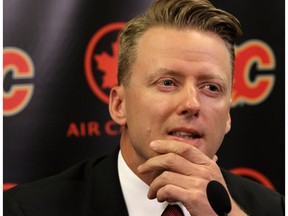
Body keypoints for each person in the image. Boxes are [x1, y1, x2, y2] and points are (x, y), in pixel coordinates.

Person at [4, 0, 284, 215]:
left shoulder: (268, 208)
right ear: (119, 105)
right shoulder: (30, 209)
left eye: (211, 87)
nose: (191, 103)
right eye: (167, 82)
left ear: (228, 116)